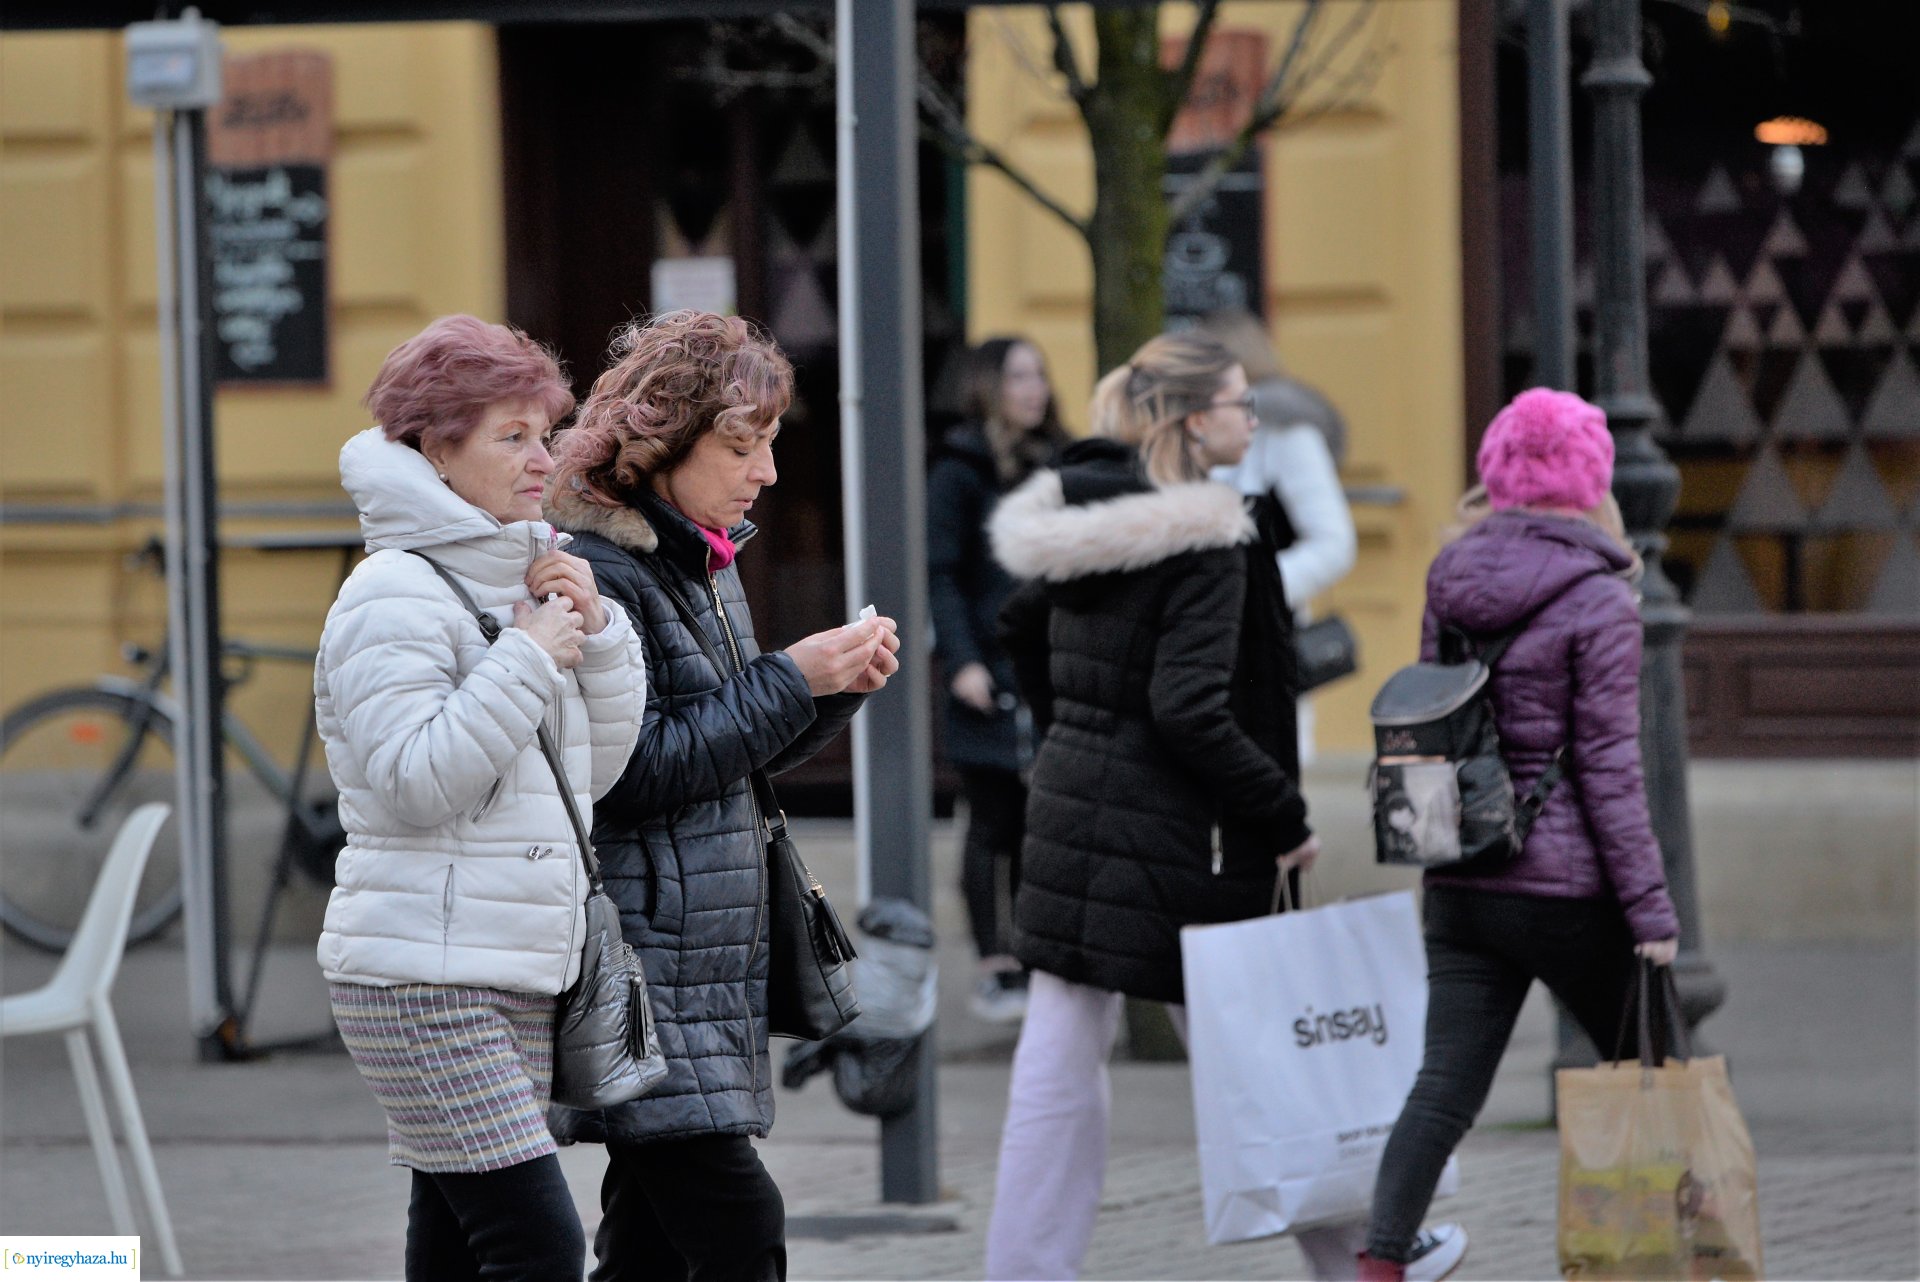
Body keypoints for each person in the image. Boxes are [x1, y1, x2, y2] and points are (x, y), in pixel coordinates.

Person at [543, 310, 901, 1282]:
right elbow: (638, 769)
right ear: (663, 442)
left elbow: (726, 753)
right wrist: (794, 678)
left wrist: (833, 690)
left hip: (701, 951)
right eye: (743, 445)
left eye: (771, 443)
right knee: (743, 1231)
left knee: (648, 1251)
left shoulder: (697, 555)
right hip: (651, 954)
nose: (767, 472)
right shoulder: (602, 570)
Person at [315, 315, 648, 1281]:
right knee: (538, 1244)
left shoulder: (523, 573)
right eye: (512, 438)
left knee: (456, 1245)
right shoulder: (393, 594)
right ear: (436, 446)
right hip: (421, 977)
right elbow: (419, 782)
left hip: (511, 963)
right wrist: (526, 658)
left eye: (544, 434)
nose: (542, 459)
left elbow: (591, 779)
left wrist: (599, 635)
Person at [1358, 388, 1682, 1281]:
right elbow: (1611, 770)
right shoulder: (1602, 596)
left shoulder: (1449, 576)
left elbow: (1434, 733)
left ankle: (1380, 1267)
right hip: (1567, 892)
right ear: (1594, 479)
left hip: (1464, 880)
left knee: (1443, 1091)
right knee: (1655, 1073)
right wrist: (1652, 914)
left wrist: (1437, 868)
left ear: (1496, 472)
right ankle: (1665, 1259)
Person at [926, 336, 1071, 1024]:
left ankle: (1041, 952)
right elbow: (941, 573)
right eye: (1019, 375)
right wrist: (963, 661)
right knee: (993, 821)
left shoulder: (1061, 462)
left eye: (1039, 374)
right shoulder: (959, 470)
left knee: (1046, 817)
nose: (1034, 387)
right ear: (988, 385)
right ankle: (995, 960)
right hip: (986, 669)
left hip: (1049, 668)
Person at [1197, 308, 1357, 763]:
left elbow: (1334, 541)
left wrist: (1251, 589)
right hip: (1199, 639)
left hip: (1263, 640)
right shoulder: (1192, 435)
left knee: (1267, 782)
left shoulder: (1286, 431)